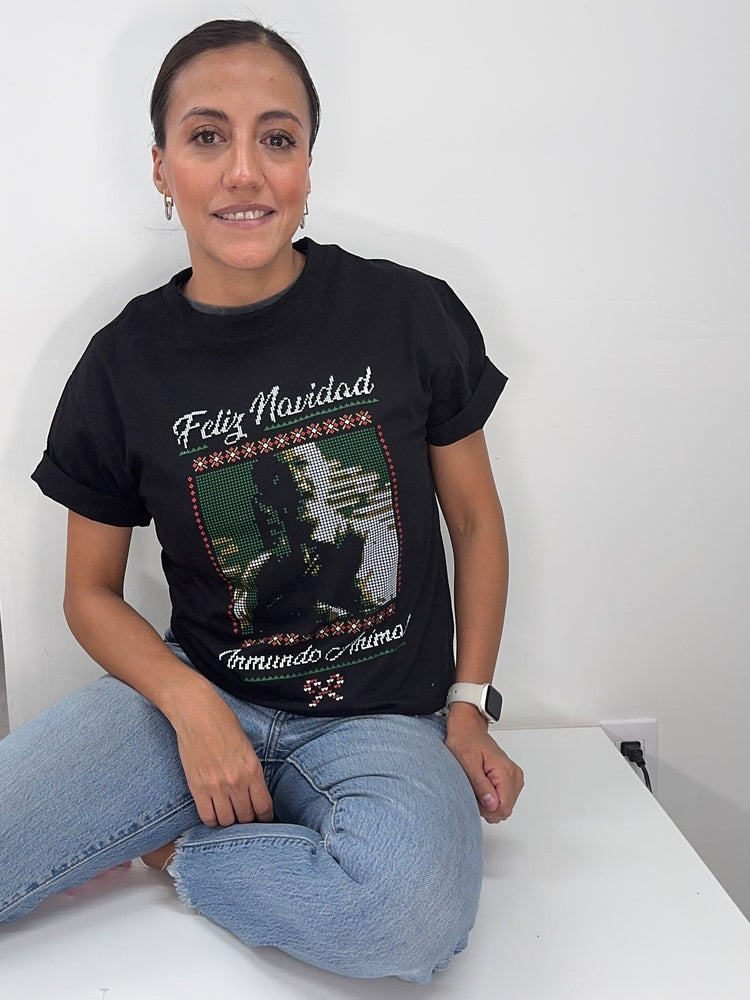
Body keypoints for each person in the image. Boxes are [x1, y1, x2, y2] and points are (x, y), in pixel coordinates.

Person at [0, 19, 523, 982]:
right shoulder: (121, 366)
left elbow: (476, 522)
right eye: (207, 136)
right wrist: (193, 707)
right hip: (195, 702)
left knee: (406, 914)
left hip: (383, 723)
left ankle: (183, 853)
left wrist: (468, 707)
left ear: (308, 164)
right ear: (161, 168)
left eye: (276, 138)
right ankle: (243, 823)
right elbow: (89, 593)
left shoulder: (407, 313)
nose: (244, 171)